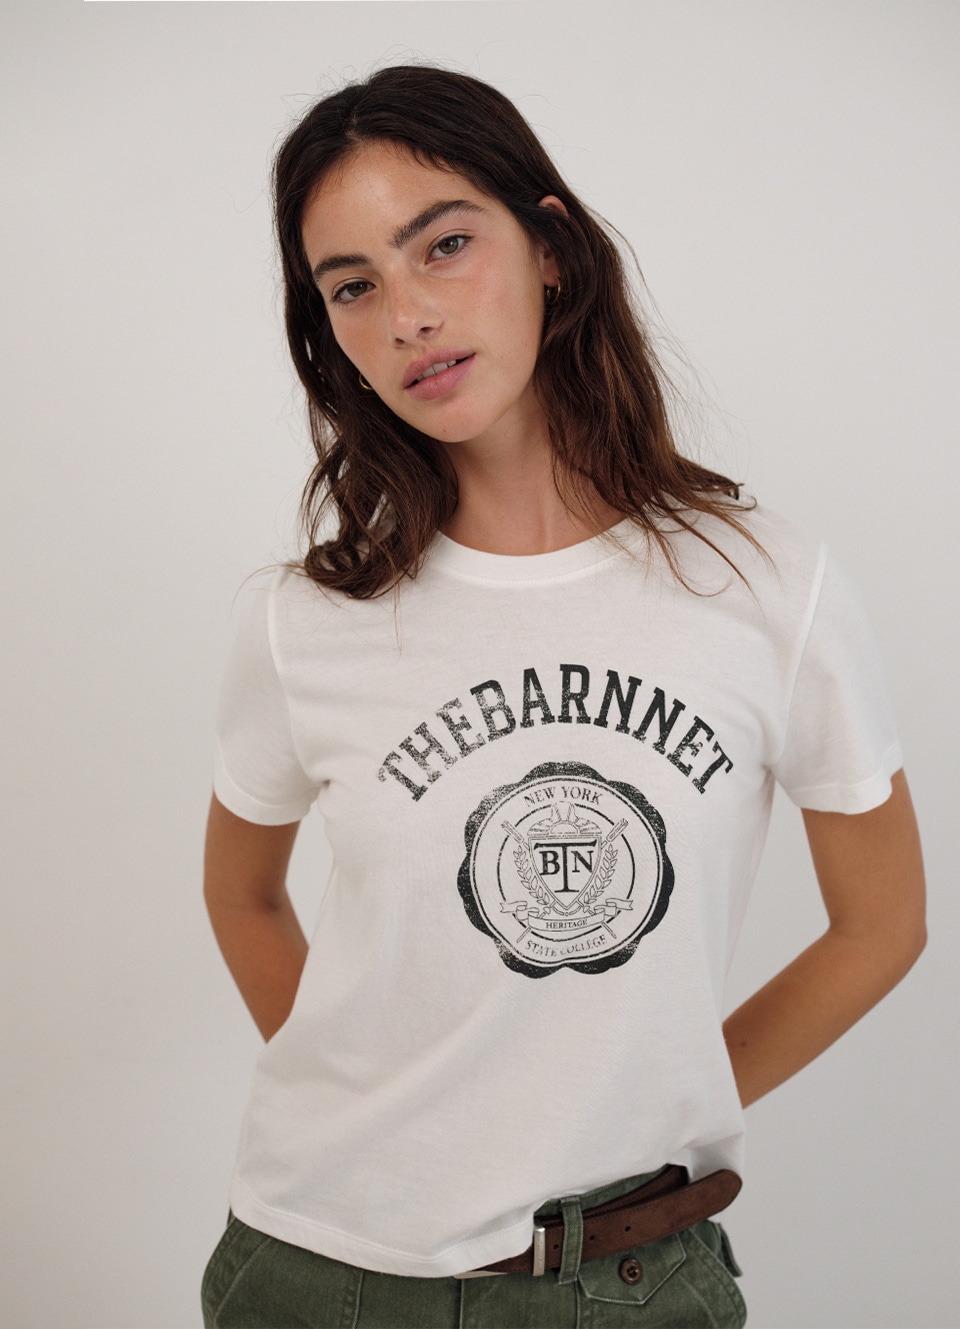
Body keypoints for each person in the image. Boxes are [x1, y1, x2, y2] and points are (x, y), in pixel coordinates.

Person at [200, 65, 926, 1329]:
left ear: (550, 248)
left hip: (628, 1284)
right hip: (313, 1273)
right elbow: (241, 894)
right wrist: (390, 1114)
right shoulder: (305, 619)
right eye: (353, 286)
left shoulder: (766, 587)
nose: (409, 315)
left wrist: (651, 1105)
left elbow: (884, 925)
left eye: (445, 245)